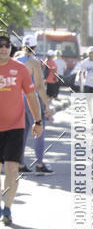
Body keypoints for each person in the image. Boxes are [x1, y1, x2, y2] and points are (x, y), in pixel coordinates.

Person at [0, 31, 43, 225]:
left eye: (7, 45)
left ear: (11, 48)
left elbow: (32, 95)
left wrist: (38, 120)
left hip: (15, 126)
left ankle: (7, 209)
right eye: (0, 45)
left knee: (11, 168)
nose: (3, 48)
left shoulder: (20, 69)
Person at [16, 36, 53, 175]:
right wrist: (47, 105)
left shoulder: (15, 60)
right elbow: (39, 86)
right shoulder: (34, 63)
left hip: (17, 100)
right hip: (30, 100)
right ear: (35, 47)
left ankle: (20, 163)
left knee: (23, 132)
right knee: (39, 130)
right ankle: (39, 164)